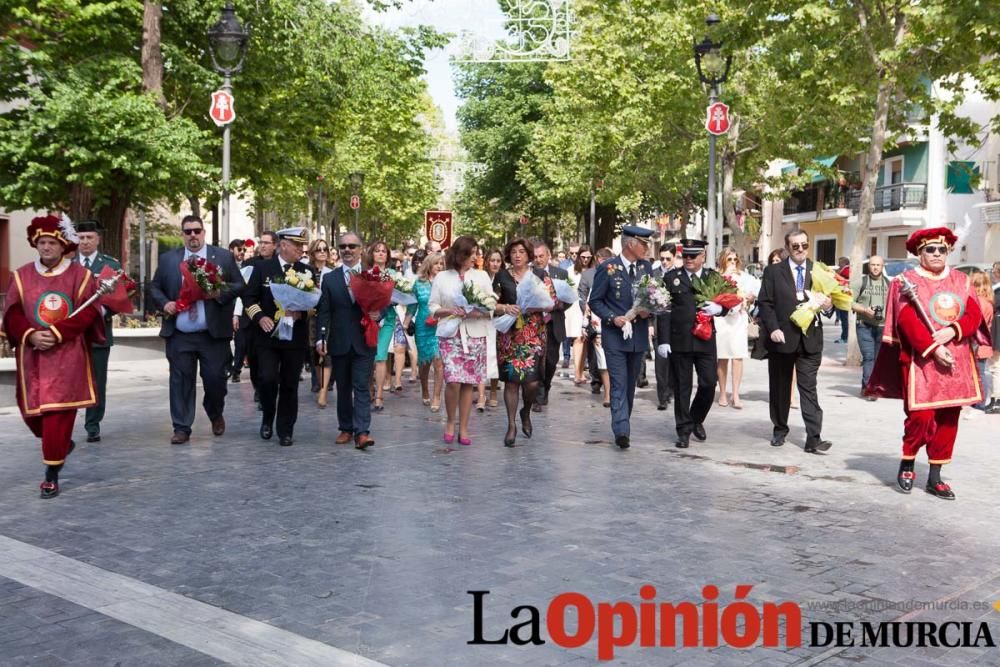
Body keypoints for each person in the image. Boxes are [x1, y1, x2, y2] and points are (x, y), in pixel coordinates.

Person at [867, 228, 988, 499]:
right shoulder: (905, 281)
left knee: (948, 419)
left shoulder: (961, 280)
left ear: (948, 252)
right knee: (920, 417)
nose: (936, 254)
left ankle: (935, 477)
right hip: (921, 361)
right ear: (919, 252)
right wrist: (933, 348)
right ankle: (908, 460)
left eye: (941, 250)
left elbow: (973, 314)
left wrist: (953, 330)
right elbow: (906, 320)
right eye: (930, 249)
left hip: (956, 361)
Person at [2, 215, 104, 498]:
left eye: (51, 243)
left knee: (57, 414)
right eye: (42, 242)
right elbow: (12, 313)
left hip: (66, 354)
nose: (46, 247)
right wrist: (31, 334)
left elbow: (87, 311)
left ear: (62, 246)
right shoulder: (21, 276)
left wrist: (57, 334)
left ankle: (51, 473)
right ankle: (58, 445)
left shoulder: (79, 276)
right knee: (31, 412)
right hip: (33, 354)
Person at [149, 215, 244, 445]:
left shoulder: (221, 257)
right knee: (180, 381)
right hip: (180, 334)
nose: (192, 235)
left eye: (197, 231)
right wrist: (165, 304)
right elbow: (154, 287)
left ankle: (214, 411)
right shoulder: (169, 259)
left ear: (203, 232)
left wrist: (218, 292)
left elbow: (240, 285)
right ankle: (181, 427)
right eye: (188, 231)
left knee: (215, 381)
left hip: (212, 334)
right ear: (182, 234)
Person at [757, 229, 833, 453]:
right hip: (782, 338)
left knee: (809, 389)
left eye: (804, 245)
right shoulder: (773, 271)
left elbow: (831, 302)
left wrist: (828, 305)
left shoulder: (819, 271)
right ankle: (780, 429)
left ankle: (813, 438)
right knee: (780, 388)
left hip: (810, 340)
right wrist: (772, 329)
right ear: (787, 247)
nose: (800, 250)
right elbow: (765, 303)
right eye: (795, 246)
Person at [242, 228, 314, 446]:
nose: (301, 251)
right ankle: (267, 417)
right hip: (267, 337)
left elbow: (315, 304)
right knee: (267, 378)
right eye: (297, 246)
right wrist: (260, 318)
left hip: (294, 337)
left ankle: (285, 429)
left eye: (303, 247)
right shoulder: (262, 268)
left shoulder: (306, 270)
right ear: (283, 246)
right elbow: (249, 298)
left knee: (290, 383)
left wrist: (302, 312)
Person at [656, 240, 728, 448]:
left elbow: (727, 302)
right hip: (680, 340)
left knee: (708, 383)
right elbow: (664, 310)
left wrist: (720, 309)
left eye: (693, 256)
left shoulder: (712, 278)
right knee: (682, 387)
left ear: (703, 256)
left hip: (705, 340)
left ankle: (696, 418)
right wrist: (664, 340)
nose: (688, 259)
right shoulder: (672, 278)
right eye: (685, 255)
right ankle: (683, 430)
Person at [588, 226, 655, 449]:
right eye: (643, 244)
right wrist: (612, 318)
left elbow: (653, 297)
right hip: (615, 336)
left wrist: (649, 310)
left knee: (630, 384)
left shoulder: (646, 268)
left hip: (637, 337)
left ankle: (623, 420)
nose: (647, 248)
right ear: (630, 244)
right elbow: (595, 301)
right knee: (618, 383)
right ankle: (621, 430)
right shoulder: (608, 268)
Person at [430, 236, 494, 445]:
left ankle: (464, 428)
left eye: (475, 253)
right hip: (450, 333)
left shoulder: (482, 276)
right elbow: (433, 306)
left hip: (474, 333)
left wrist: (479, 312)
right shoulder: (442, 277)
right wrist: (447, 310)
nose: (472, 258)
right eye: (468, 253)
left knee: (468, 382)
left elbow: (490, 305)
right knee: (453, 380)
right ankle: (450, 421)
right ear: (458, 254)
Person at [315, 232, 376, 450]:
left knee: (361, 385)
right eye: (343, 246)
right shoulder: (330, 278)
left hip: (364, 340)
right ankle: (346, 428)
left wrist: (379, 313)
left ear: (361, 249)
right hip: (339, 340)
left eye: (352, 246)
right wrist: (321, 338)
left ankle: (362, 432)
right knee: (343, 387)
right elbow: (324, 311)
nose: (347, 250)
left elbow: (385, 305)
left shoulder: (372, 276)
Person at [494, 238, 552, 446]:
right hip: (509, 333)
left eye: (522, 252)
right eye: (513, 252)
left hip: (533, 332)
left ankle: (525, 411)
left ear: (528, 255)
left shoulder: (539, 275)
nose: (517, 255)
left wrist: (536, 306)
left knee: (532, 382)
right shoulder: (501, 276)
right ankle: (511, 424)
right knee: (511, 381)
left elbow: (552, 301)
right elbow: (491, 301)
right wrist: (504, 308)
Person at [75, 220, 123, 443]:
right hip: (72, 335)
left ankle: (92, 424)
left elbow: (122, 297)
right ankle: (65, 420)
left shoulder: (109, 265)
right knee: (70, 379)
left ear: (97, 239)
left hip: (99, 333)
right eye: (81, 238)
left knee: (97, 381)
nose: (84, 242)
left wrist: (102, 309)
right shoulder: (68, 265)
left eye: (88, 238)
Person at [714, 248, 760, 410]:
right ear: (723, 261)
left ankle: (735, 394)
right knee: (723, 356)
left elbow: (756, 292)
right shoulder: (717, 277)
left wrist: (749, 297)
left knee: (738, 356)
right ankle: (722, 393)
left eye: (735, 259)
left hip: (739, 320)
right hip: (722, 320)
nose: (733, 263)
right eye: (729, 259)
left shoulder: (745, 277)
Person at [405, 250, 444, 412]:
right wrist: (407, 322)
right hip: (423, 325)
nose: (439, 266)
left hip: (441, 325)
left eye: (442, 264)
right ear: (429, 264)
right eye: (436, 263)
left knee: (439, 361)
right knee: (424, 363)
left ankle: (436, 396)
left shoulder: (445, 282)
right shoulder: (419, 283)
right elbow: (412, 305)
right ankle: (425, 390)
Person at [367, 240, 404, 409]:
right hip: (367, 319)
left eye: (384, 251)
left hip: (387, 319)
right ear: (372, 254)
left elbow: (402, 294)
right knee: (368, 357)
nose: (381, 253)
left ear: (388, 255)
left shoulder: (394, 275)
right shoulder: (365, 273)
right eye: (377, 250)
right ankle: (369, 389)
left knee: (381, 356)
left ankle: (380, 395)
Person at [534, 242, 568, 412]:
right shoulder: (530, 274)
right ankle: (538, 395)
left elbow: (569, 297)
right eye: (536, 257)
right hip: (535, 323)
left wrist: (559, 305)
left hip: (554, 322)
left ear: (548, 256)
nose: (538, 260)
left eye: (541, 256)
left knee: (551, 360)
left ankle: (545, 387)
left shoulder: (561, 273)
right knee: (537, 359)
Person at [851, 255, 890, 399]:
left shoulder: (889, 283)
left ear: (882, 266)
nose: (875, 267)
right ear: (869, 266)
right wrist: (864, 310)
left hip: (882, 326)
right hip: (864, 325)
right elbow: (849, 302)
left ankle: (865, 385)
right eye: (873, 265)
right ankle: (870, 389)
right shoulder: (859, 282)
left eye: (878, 265)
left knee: (878, 359)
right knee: (868, 357)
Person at [306, 238, 336, 407]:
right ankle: (320, 383)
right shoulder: (305, 271)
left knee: (326, 352)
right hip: (310, 318)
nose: (323, 252)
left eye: (325, 249)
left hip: (327, 317)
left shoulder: (332, 272)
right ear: (313, 253)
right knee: (314, 353)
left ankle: (324, 391)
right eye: (319, 249)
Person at [477, 249, 504, 410]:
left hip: (498, 322)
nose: (495, 263)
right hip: (482, 320)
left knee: (495, 356)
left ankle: (493, 391)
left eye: (498, 261)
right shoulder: (481, 277)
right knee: (481, 355)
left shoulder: (503, 279)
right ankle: (481, 394)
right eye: (492, 260)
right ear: (486, 261)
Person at [652, 245, 674, 410]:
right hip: (658, 323)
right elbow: (646, 301)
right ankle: (662, 396)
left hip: (675, 325)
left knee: (673, 362)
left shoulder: (679, 275)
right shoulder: (654, 275)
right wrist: (650, 324)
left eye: (668, 258)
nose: (665, 262)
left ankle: (671, 389)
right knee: (661, 361)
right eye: (662, 259)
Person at [571, 246, 595, 385]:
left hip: (591, 310)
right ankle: (577, 373)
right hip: (576, 308)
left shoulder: (594, 272)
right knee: (579, 339)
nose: (585, 260)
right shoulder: (572, 271)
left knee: (586, 340)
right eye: (583, 257)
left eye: (588, 257)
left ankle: (582, 370)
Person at [971, 271, 994, 412]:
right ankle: (980, 401)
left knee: (979, 374)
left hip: (977, 344)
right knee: (981, 372)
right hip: (984, 344)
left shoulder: (978, 302)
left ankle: (980, 402)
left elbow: (974, 324)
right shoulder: (988, 303)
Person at [833, 257, 851, 342]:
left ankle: (845, 337)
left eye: (840, 262)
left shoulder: (847, 270)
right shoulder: (842, 270)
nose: (838, 263)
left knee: (845, 319)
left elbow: (846, 280)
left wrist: (837, 276)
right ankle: (845, 336)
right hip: (841, 297)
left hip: (844, 297)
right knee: (844, 319)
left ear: (844, 262)